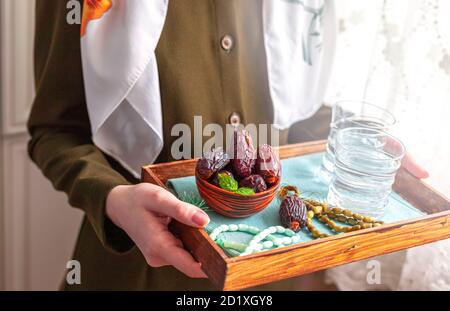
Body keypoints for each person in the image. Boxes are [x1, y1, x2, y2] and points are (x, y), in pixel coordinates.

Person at [28, 0, 428, 290]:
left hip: (272, 264)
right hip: (139, 271)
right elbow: (56, 129)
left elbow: (294, 110)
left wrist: (354, 139)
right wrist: (113, 197)